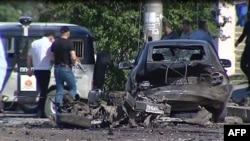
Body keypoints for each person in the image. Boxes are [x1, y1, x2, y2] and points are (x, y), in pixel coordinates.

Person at [27, 31, 55, 118]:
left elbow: (29, 56)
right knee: (44, 91)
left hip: (36, 70)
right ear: (51, 37)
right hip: (45, 69)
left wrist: (29, 68)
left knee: (41, 89)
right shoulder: (49, 44)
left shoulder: (34, 43)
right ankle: (40, 111)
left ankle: (40, 110)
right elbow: (51, 56)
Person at [50, 26, 79, 112]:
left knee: (59, 89)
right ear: (68, 33)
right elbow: (73, 57)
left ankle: (58, 109)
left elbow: (52, 57)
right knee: (73, 88)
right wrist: (76, 61)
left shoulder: (54, 43)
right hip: (65, 68)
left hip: (57, 68)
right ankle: (68, 103)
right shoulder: (69, 43)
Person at [235, 12, 250, 90]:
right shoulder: (248, 24)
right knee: (243, 65)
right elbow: (244, 34)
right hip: (248, 47)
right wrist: (238, 42)